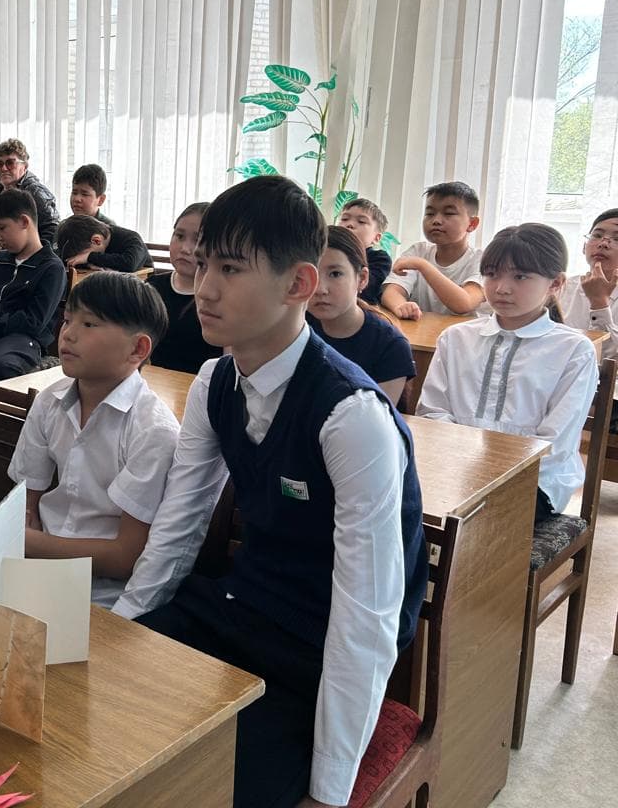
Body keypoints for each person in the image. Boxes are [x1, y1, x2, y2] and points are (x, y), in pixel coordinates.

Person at [112, 175, 427, 808]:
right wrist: (125, 630)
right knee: (103, 708)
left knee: (209, 788)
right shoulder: (215, 380)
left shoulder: (351, 415)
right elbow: (179, 525)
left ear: (298, 285)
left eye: (230, 269)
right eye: (204, 264)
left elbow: (367, 614)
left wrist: (330, 791)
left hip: (316, 647)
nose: (204, 287)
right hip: (239, 604)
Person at [12, 273, 180, 608]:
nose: (68, 334)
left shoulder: (153, 430)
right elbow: (25, 503)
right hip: (38, 572)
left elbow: (124, 557)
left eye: (89, 324)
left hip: (107, 596)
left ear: (138, 349)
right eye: (67, 319)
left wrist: (23, 542)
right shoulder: (49, 402)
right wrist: (24, 543)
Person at [417, 223, 598, 524]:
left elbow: (555, 443)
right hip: (451, 468)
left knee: (473, 523)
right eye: (491, 274)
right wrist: (460, 463)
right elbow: (431, 413)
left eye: (520, 276)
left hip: (535, 481)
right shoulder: (456, 338)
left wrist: (483, 471)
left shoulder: (574, 350)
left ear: (555, 283)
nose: (501, 288)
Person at [0, 188, 67, 381]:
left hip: (20, 338)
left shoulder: (52, 268)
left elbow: (32, 322)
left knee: (2, 365)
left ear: (24, 222)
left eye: (2, 228)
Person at [309, 226, 416, 407]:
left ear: (362, 278)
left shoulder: (390, 346)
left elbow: (376, 420)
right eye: (312, 274)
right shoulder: (293, 330)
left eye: (335, 274)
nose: (320, 289)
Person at [381, 181, 484, 318]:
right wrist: (401, 306)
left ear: (472, 223)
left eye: (448, 213)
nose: (436, 220)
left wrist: (422, 265)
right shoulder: (418, 251)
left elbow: (464, 304)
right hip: (421, 330)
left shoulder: (482, 260)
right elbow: (392, 291)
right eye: (430, 213)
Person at [148, 202, 222, 374]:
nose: (185, 249)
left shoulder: (218, 295)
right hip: (157, 383)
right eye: (179, 236)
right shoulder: (152, 287)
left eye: (197, 240)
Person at [0, 139, 59, 248]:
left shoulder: (37, 193)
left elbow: (52, 233)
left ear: (25, 166)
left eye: (10, 163)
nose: (4, 168)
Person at [560, 208, 618, 361]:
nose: (603, 244)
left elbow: (608, 360)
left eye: (617, 239)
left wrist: (599, 304)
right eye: (597, 235)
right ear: (584, 246)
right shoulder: (561, 286)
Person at [336, 197, 392, 305]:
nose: (349, 224)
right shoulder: (325, 252)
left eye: (361, 221)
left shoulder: (379, 259)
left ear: (376, 238)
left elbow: (366, 290)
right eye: (344, 219)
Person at [54, 213, 153, 272]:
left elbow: (130, 263)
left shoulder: (132, 239)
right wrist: (86, 264)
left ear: (96, 240)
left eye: (83, 255)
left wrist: (90, 257)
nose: (83, 258)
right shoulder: (94, 242)